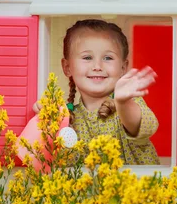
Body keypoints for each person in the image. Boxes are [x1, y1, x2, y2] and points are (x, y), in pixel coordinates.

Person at [35, 19, 160, 165]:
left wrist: (123, 102)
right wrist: (44, 119)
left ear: (123, 67)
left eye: (108, 58)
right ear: (67, 67)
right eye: (87, 57)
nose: (97, 66)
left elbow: (143, 126)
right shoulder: (66, 119)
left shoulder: (126, 104)